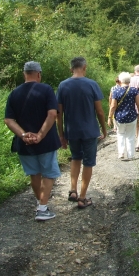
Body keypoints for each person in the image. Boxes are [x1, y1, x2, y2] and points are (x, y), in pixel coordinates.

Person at [4, 61, 61, 221]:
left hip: (24, 144)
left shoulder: (14, 93)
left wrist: (23, 135)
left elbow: (8, 120)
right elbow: (52, 114)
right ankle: (42, 209)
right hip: (46, 141)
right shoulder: (46, 89)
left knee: (34, 174)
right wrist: (40, 135)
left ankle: (40, 203)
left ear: (24, 74)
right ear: (39, 74)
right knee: (49, 173)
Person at [56, 57, 107, 209]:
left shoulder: (63, 86)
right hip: (90, 131)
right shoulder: (92, 84)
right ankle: (83, 197)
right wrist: (104, 129)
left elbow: (59, 114)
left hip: (72, 130)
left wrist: (61, 135)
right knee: (88, 162)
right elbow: (99, 111)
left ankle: (73, 190)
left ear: (71, 69)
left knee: (76, 158)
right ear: (85, 67)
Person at [108, 71, 139, 160]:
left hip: (119, 118)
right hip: (132, 117)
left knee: (120, 135)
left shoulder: (116, 91)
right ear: (129, 81)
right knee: (130, 136)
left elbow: (113, 106)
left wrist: (109, 117)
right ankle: (131, 155)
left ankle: (121, 153)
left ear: (120, 80)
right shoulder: (134, 91)